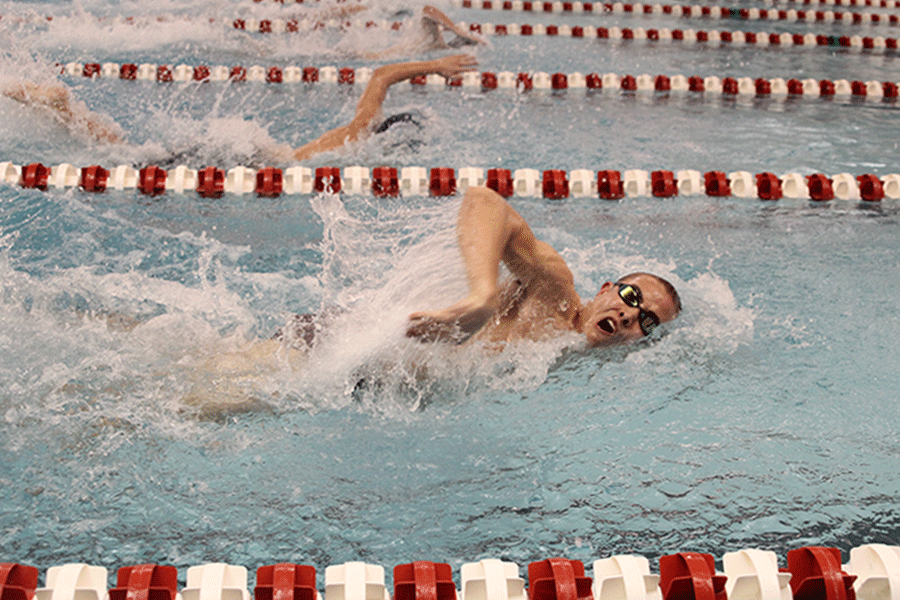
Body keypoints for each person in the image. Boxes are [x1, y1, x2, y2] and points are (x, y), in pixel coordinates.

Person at [0, 53, 479, 161]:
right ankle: (62, 106)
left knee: (124, 151)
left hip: (244, 149)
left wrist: (434, 65)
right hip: (255, 160)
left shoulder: (350, 133)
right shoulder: (356, 141)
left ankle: (63, 106)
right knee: (122, 154)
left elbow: (381, 75)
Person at [405, 186, 682, 348]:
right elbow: (483, 199)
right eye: (631, 297)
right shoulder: (555, 295)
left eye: (648, 321)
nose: (629, 315)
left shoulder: (572, 354)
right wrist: (483, 299)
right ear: (604, 290)